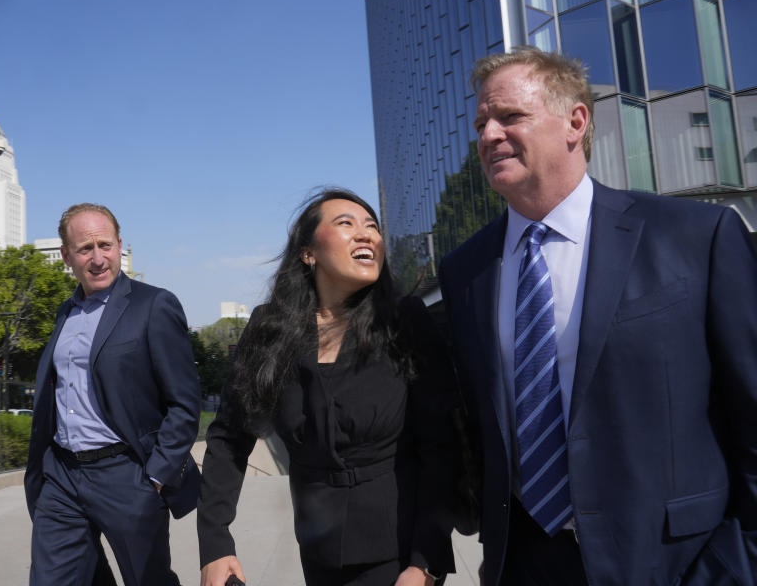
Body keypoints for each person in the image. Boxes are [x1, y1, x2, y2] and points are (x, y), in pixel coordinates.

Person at [438, 46, 757, 585]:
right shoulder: (465, 270)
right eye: (481, 123)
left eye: (510, 116)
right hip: (523, 564)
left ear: (575, 122)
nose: (488, 136)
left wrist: (736, 563)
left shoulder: (694, 237)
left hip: (672, 565)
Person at [197, 189, 460, 586]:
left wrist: (425, 563)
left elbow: (443, 448)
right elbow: (229, 438)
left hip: (400, 553)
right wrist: (215, 544)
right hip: (318, 550)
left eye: (372, 226)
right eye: (346, 224)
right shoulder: (270, 329)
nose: (366, 234)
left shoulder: (405, 321)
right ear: (308, 253)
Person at [25, 203, 202, 586]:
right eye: (85, 249)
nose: (98, 258)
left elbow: (185, 403)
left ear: (120, 245)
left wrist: (154, 477)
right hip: (62, 476)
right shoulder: (64, 313)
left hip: (126, 475)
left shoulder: (153, 305)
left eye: (105, 245)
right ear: (66, 255)